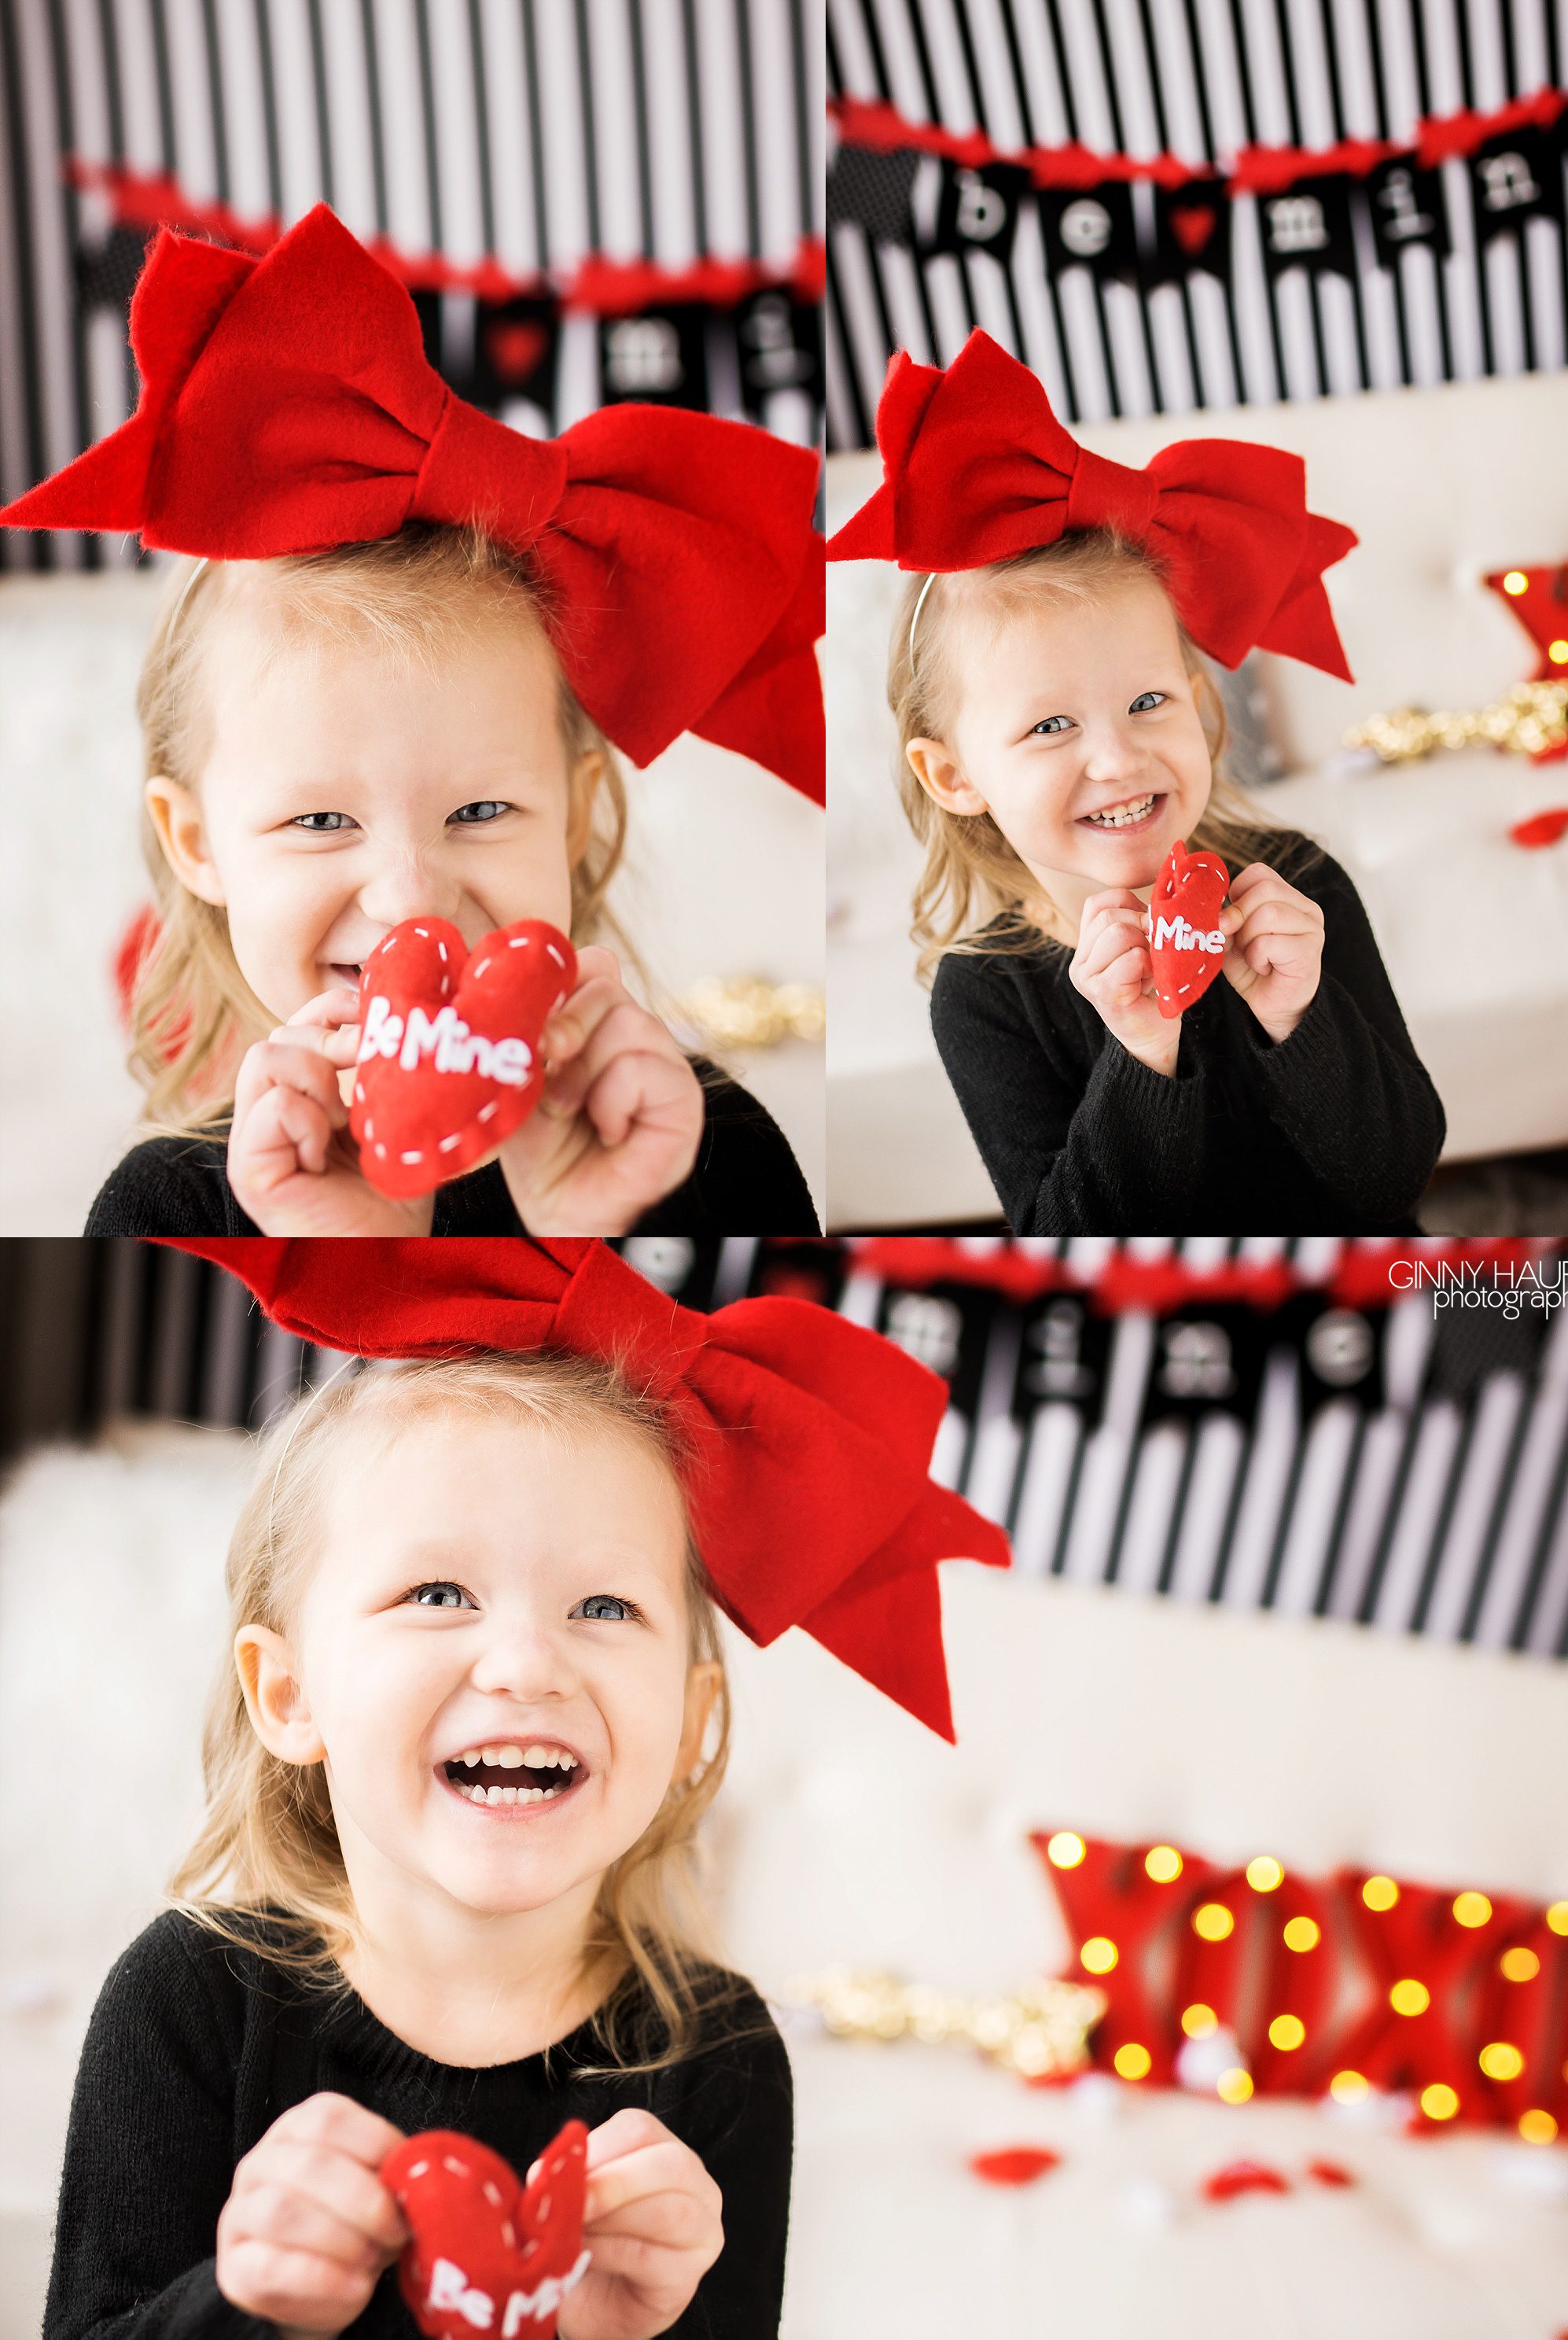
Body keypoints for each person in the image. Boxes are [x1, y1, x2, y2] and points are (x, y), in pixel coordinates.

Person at [44, 1236, 1010, 2340]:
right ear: (290, 1693)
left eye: (604, 1606)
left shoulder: (719, 2056)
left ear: (691, 1723)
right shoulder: (188, 1998)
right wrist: (246, 2304)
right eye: (439, 1589)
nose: (527, 1663)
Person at [0, 205, 823, 1238]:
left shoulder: (704, 1146)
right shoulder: (165, 1206)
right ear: (197, 842)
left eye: (480, 807)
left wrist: (608, 1223)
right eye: (319, 821)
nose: (410, 897)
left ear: (575, 818)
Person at [829, 330, 1446, 1236]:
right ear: (955, 774)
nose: (1118, 759)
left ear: (1198, 705)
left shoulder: (1295, 883)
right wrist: (1140, 1050)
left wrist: (1300, 1017)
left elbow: (1397, 1177)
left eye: (1148, 701)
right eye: (1050, 725)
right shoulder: (986, 993)